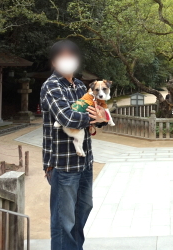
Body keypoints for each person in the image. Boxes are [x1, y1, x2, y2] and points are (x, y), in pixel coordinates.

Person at [42, 40, 103, 250]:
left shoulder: (79, 86)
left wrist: (100, 118)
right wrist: (93, 118)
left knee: (83, 209)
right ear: (54, 61)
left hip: (85, 160)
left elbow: (95, 112)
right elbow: (67, 118)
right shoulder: (51, 86)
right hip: (62, 163)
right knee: (63, 221)